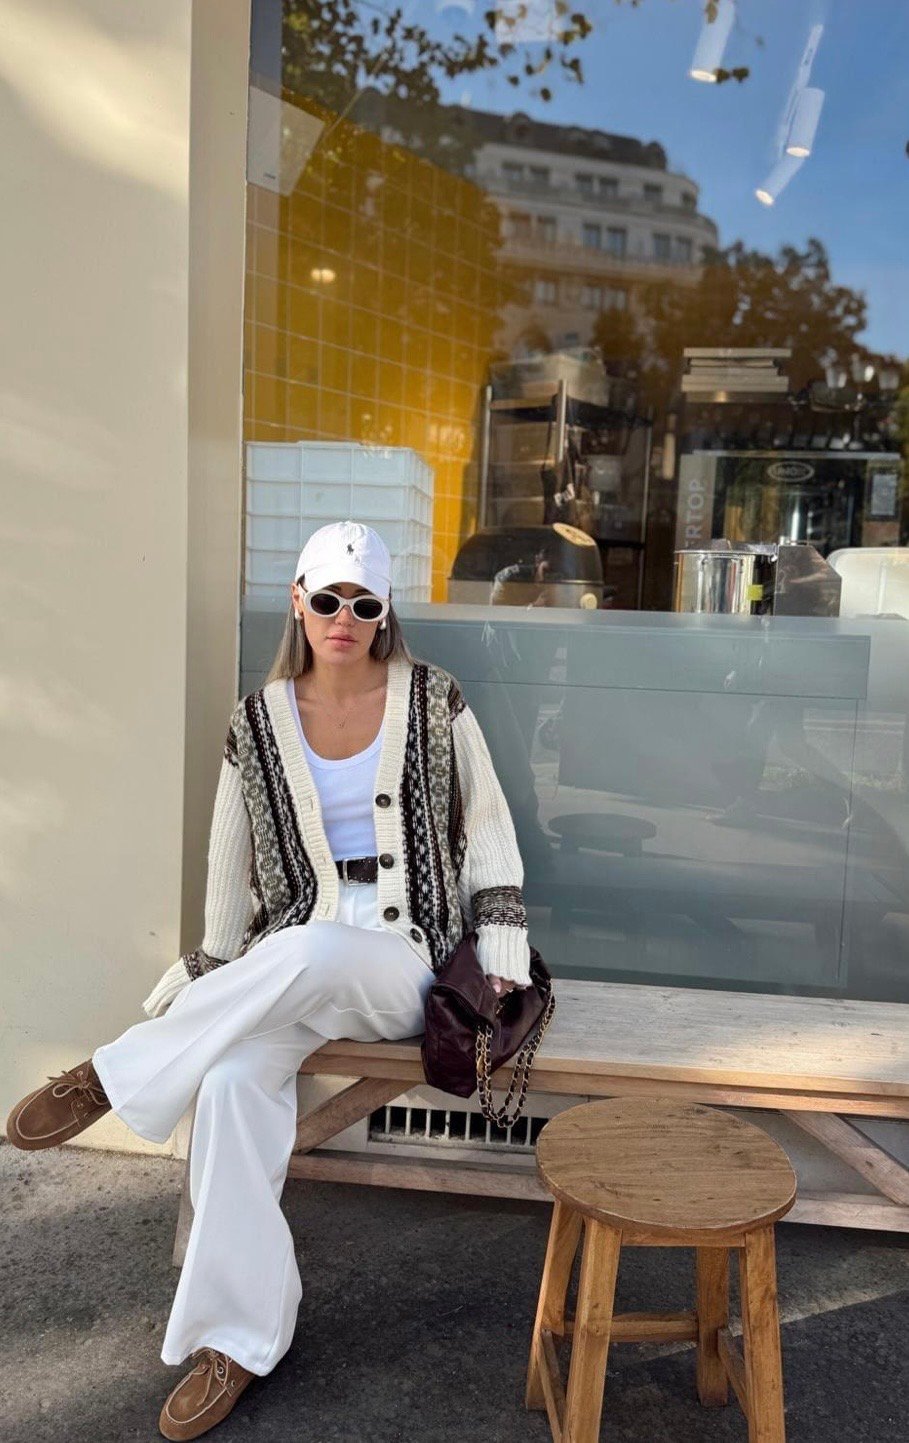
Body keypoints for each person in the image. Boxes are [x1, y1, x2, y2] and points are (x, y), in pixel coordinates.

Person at [6, 520, 534, 1441]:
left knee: (308, 952)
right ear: (298, 601)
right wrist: (209, 964)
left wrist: (501, 954)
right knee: (226, 1082)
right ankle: (239, 1338)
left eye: (362, 603)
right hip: (288, 964)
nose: (343, 618)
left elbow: (486, 823)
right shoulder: (256, 721)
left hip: (398, 959)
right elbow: (229, 859)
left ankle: (113, 1073)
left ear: (384, 611)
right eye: (326, 599)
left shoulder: (433, 698)